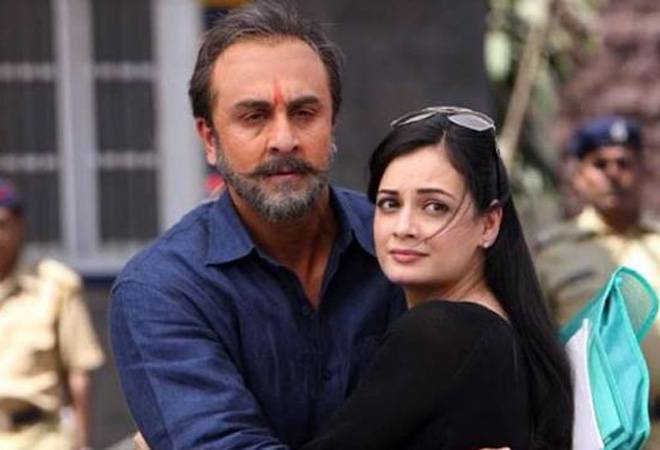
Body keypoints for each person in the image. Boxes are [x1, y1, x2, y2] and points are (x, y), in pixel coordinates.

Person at [298, 106, 573, 450]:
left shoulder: (442, 332)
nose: (404, 228)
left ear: (489, 224)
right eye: (389, 204)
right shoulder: (498, 328)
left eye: (434, 207)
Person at [535, 114, 660, 444]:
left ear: (642, 171)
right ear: (579, 177)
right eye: (600, 164)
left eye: (624, 163)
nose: (613, 173)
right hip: (596, 434)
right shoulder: (553, 254)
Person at [0, 178, 105, 450]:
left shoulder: (54, 286)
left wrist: (82, 443)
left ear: (19, 225)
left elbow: (78, 373)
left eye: (1, 225)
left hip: (39, 436)